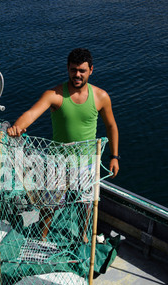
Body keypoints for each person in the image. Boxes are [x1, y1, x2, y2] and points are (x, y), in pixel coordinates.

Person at [7, 48, 119, 240]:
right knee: (48, 206)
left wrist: (114, 157)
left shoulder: (101, 97)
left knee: (86, 206)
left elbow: (111, 126)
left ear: (91, 70)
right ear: (67, 69)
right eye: (73, 69)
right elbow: (32, 114)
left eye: (82, 70)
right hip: (56, 162)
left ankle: (83, 236)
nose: (77, 74)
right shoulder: (54, 95)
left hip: (86, 163)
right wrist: (17, 127)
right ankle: (42, 237)